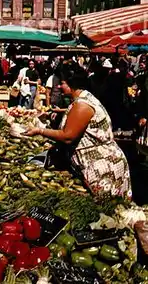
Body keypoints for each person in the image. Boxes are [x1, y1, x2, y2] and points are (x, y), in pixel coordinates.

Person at [26, 64, 132, 199]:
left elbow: (68, 136)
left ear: (72, 84)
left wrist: (40, 130)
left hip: (102, 166)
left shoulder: (82, 105)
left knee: (108, 209)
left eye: (62, 83)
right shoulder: (82, 99)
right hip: (96, 162)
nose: (59, 86)